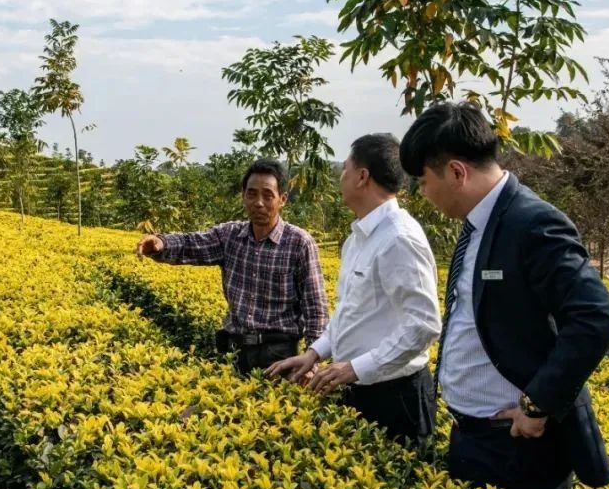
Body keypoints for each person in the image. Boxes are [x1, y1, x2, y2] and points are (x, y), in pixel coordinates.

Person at [399, 101, 609, 489]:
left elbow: (595, 317)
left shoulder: (532, 223)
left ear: (457, 172)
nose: (423, 194)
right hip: (472, 435)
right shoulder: (478, 223)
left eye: (424, 182)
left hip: (518, 445)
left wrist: (536, 405)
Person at [263, 134, 442, 453]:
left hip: (395, 397)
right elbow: (353, 314)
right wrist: (314, 353)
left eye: (345, 168)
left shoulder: (398, 238)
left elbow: (423, 325)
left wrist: (355, 368)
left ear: (363, 177)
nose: (339, 176)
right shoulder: (358, 238)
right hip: (359, 390)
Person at [135, 159, 328, 375]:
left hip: (279, 354)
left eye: (268, 195)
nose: (259, 202)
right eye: (252, 194)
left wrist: (312, 360)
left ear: (282, 199)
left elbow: (315, 308)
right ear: (243, 196)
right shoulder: (229, 236)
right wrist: (161, 244)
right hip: (234, 350)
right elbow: (192, 243)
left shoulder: (299, 243)